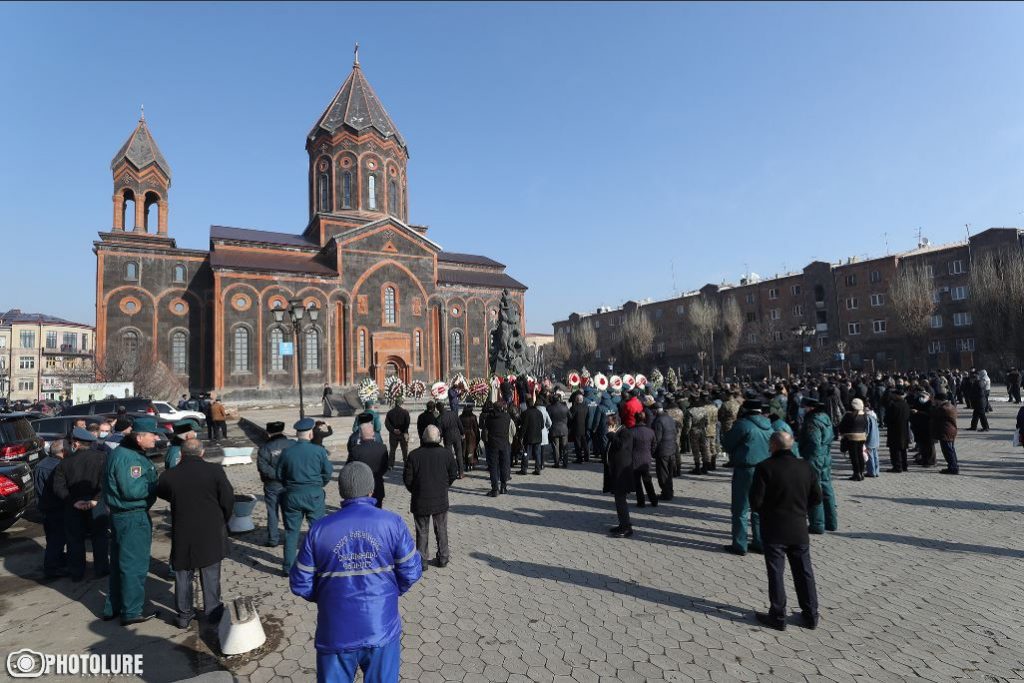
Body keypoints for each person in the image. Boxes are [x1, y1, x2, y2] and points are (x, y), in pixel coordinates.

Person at [291, 462, 422, 683]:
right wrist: (391, 592)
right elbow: (411, 571)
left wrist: (326, 596)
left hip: (335, 632)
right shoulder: (393, 523)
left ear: (341, 491)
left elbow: (300, 583)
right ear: (371, 490)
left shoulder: (319, 530)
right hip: (381, 628)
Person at [156, 438, 234, 629]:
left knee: (183, 574)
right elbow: (228, 498)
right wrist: (224, 518)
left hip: (183, 530)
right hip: (210, 530)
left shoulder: (169, 475)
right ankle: (213, 611)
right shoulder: (215, 471)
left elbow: (162, 492)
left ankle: (184, 615)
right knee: (210, 572)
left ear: (181, 454)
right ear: (202, 453)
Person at [749, 431, 822, 631]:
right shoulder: (805, 466)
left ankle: (778, 615)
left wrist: (769, 511)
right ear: (791, 445)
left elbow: (755, 502)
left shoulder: (765, 467)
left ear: (772, 445)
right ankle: (811, 614)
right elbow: (817, 497)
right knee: (804, 571)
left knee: (776, 573)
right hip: (798, 527)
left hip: (774, 528)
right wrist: (801, 509)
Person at [102, 416, 160, 625]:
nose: (156, 438)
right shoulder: (130, 459)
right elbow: (132, 490)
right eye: (152, 434)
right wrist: (156, 486)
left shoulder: (124, 453)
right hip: (132, 517)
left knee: (119, 565)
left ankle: (115, 606)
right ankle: (132, 611)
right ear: (139, 437)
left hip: (121, 517)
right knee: (134, 565)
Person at [277, 418, 334, 574]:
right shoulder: (319, 451)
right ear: (310, 434)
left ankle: (288, 567)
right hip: (314, 495)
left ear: (297, 434)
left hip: (292, 495)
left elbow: (279, 474)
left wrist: (290, 485)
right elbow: (328, 473)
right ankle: (320, 564)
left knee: (291, 532)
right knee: (318, 531)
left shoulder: (287, 452)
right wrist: (318, 485)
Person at [53, 428, 110, 582]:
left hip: (73, 507)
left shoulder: (65, 462)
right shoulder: (102, 457)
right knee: (100, 538)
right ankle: (102, 568)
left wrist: (73, 501)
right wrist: (96, 499)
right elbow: (107, 482)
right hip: (96, 505)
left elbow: (58, 487)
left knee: (75, 540)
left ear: (76, 443)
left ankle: (77, 572)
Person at [721, 400, 773, 555]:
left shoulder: (742, 424)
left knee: (740, 508)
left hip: (746, 469)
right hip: (764, 468)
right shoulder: (769, 424)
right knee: (759, 507)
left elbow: (728, 443)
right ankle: (760, 541)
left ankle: (740, 544)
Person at [403, 425, 458, 570]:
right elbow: (453, 474)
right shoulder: (446, 454)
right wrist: (443, 486)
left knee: (422, 531)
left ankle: (422, 561)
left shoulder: (414, 455)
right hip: (440, 498)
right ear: (438, 438)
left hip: (420, 499)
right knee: (441, 529)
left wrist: (416, 490)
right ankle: (443, 558)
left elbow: (407, 480)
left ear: (423, 438)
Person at [798, 398, 837, 534]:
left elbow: (814, 442)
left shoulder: (812, 421)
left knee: (814, 490)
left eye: (804, 407)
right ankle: (831, 522)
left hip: (815, 457)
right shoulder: (825, 417)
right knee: (827, 487)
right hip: (826, 455)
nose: (803, 409)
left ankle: (817, 524)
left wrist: (804, 455)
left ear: (810, 408)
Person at [34, 440, 68, 578]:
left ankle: (58, 559)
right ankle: (52, 568)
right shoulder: (58, 467)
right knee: (57, 539)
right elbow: (59, 489)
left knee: (52, 537)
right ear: (62, 452)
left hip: (46, 507)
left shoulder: (42, 464)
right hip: (56, 508)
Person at [257, 421, 293, 548]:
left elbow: (263, 468)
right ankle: (291, 538)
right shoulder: (293, 444)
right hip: (290, 483)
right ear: (283, 431)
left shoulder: (265, 448)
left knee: (272, 511)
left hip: (272, 484)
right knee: (289, 511)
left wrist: (277, 475)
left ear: (268, 433)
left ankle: (273, 539)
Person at [348, 415, 390, 508]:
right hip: (377, 485)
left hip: (360, 486)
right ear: (373, 434)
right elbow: (385, 466)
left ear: (361, 434)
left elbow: (349, 468)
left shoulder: (355, 450)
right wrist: (377, 475)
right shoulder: (382, 448)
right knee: (377, 511)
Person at [605, 414, 635, 538]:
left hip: (622, 474)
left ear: (615, 424)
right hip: (616, 472)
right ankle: (622, 524)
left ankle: (626, 527)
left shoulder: (625, 433)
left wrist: (611, 435)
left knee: (621, 501)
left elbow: (620, 445)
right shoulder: (618, 432)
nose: (607, 427)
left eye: (609, 424)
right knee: (618, 501)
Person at [481, 400, 513, 496]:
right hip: (504, 444)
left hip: (493, 444)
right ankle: (503, 487)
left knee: (493, 467)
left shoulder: (489, 418)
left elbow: (486, 429)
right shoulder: (507, 417)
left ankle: (495, 489)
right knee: (504, 465)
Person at [629, 412, 659, 508]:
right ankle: (654, 500)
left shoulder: (631, 432)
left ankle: (641, 502)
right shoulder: (650, 431)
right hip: (646, 460)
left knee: (637, 483)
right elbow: (654, 445)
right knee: (648, 481)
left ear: (635, 419)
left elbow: (628, 447)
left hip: (635, 460)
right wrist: (650, 453)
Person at [837, 398, 868, 481]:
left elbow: (842, 426)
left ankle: (856, 473)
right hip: (862, 436)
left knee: (854, 456)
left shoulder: (849, 415)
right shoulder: (864, 415)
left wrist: (842, 433)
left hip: (851, 437)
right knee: (860, 454)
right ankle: (861, 472)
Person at [652, 402, 677, 500]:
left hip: (663, 451)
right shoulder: (669, 418)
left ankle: (666, 493)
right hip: (671, 448)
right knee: (669, 473)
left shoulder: (658, 421)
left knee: (662, 473)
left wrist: (653, 451)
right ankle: (669, 491)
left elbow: (657, 439)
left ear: (655, 410)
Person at [931, 392, 959, 475]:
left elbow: (933, 414)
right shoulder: (949, 405)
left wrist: (933, 405)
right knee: (951, 449)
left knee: (948, 450)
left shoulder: (944, 408)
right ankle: (953, 466)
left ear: (939, 400)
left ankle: (953, 467)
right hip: (949, 431)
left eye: (936, 400)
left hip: (946, 431)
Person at [884, 388, 911, 473]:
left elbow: (888, 418)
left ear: (896, 395)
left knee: (895, 449)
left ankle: (897, 466)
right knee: (903, 448)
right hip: (904, 429)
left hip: (894, 429)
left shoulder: (893, 405)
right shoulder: (906, 404)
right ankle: (904, 465)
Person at [437, 403, 466, 478]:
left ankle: (451, 472)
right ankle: (461, 473)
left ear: (438, 409)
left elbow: (439, 431)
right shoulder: (453, 413)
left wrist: (440, 438)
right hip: (457, 435)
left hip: (447, 437)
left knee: (449, 455)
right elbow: (459, 424)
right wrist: (462, 433)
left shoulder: (439, 418)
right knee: (459, 454)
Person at [519, 399, 546, 475]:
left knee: (526, 453)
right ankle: (537, 469)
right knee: (537, 454)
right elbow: (542, 425)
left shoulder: (525, 413)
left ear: (527, 405)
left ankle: (524, 469)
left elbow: (523, 427)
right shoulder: (539, 413)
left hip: (528, 437)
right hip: (538, 437)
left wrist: (521, 436)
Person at [384, 397, 410, 468]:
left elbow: (387, 424)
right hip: (403, 433)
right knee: (404, 450)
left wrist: (393, 430)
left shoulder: (390, 412)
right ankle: (406, 463)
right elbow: (407, 423)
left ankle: (390, 465)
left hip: (393, 434)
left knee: (392, 450)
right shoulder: (405, 412)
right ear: (401, 403)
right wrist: (402, 430)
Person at [546, 393, 570, 468]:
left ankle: (557, 463)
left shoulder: (550, 408)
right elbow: (570, 416)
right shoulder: (565, 407)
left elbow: (548, 419)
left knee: (556, 447)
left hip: (554, 430)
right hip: (564, 429)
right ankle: (565, 463)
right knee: (565, 447)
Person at [569, 393, 590, 463]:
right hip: (584, 428)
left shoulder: (574, 408)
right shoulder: (586, 407)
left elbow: (570, 418)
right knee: (584, 443)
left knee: (578, 444)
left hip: (576, 428)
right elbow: (588, 417)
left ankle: (579, 459)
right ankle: (587, 457)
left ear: (576, 400)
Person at [460, 404, 481, 470]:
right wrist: (478, 436)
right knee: (471, 449)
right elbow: (476, 427)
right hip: (471, 434)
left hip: (463, 434)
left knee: (464, 449)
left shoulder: (461, 417)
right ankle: (471, 462)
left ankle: (465, 462)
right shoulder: (473, 417)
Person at [864, 403, 881, 478]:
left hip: (870, 440)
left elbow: (866, 430)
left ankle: (871, 472)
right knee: (875, 456)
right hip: (875, 439)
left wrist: (864, 438)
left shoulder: (867, 418)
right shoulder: (874, 416)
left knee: (870, 456)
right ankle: (876, 471)